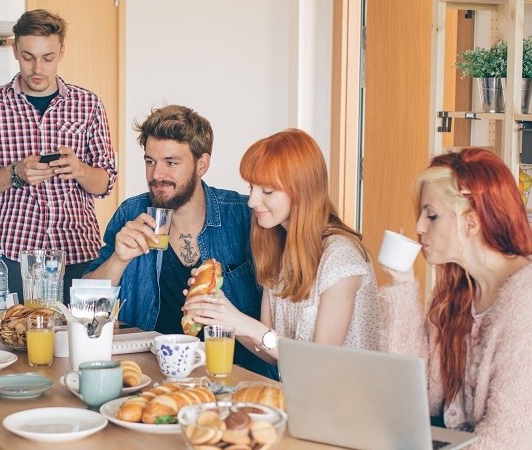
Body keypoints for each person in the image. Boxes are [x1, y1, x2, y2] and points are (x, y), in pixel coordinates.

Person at [84, 105, 269, 375]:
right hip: (148, 372)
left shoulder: (244, 215)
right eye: (150, 161)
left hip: (234, 375)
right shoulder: (131, 213)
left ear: (201, 164)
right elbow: (85, 311)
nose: (157, 175)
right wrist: (118, 259)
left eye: (171, 162)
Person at [184, 129, 382, 369]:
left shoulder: (341, 256)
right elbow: (270, 353)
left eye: (267, 191)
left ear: (302, 191)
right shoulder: (280, 249)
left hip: (345, 404)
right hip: (295, 399)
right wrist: (221, 312)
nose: (252, 202)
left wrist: (243, 323)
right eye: (252, 188)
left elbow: (322, 363)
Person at [0, 9, 116, 304]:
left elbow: (105, 182)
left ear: (61, 53)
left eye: (48, 58)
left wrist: (80, 170)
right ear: (15, 50)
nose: (37, 68)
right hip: (15, 253)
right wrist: (15, 173)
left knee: (77, 343)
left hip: (78, 250)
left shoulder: (88, 104)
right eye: (28, 56)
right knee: (19, 340)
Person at [381, 148, 532, 448]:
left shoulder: (525, 307)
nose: (419, 227)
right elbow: (418, 396)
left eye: (432, 215)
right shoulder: (457, 292)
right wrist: (402, 285)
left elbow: (506, 441)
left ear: (471, 223)